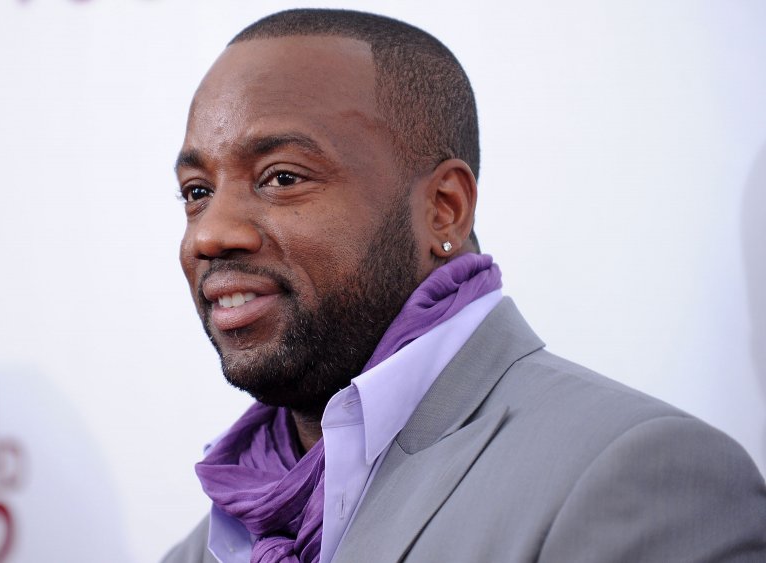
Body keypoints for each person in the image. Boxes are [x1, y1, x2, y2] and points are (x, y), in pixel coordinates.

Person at [164, 8, 766, 563]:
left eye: (282, 178)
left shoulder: (640, 474)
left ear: (444, 209)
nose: (210, 234)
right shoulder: (205, 548)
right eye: (197, 191)